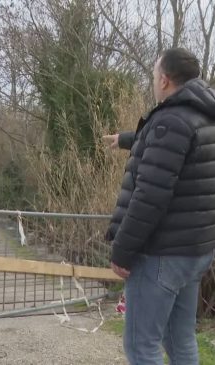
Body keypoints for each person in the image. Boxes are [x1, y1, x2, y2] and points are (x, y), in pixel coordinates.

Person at [104, 48, 215, 365]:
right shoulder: (204, 116)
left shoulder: (170, 121)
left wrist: (122, 251)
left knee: (142, 347)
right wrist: (126, 138)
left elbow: (149, 197)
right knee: (180, 342)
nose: (154, 81)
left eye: (154, 75)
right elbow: (173, 148)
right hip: (195, 252)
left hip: (161, 256)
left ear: (165, 80)